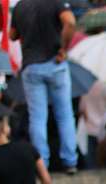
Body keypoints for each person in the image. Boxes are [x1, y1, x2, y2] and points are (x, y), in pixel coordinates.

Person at [10, 0, 78, 173]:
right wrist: (63, 48)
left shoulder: (20, 6)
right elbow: (70, 22)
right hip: (55, 63)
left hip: (31, 65)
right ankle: (69, 161)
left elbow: (12, 35)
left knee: (37, 118)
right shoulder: (55, 2)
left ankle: (42, 164)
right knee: (64, 115)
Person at [79, 80, 106, 169]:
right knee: (104, 159)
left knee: (91, 161)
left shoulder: (85, 88)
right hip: (104, 128)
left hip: (90, 128)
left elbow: (81, 109)